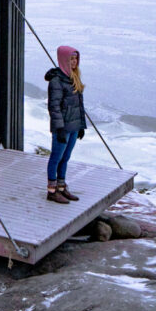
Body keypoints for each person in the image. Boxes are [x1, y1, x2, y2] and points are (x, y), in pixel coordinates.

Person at [45, 45, 86, 203]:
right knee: (56, 157)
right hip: (62, 127)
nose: (74, 62)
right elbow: (54, 107)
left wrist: (81, 125)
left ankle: (62, 187)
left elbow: (79, 105)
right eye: (71, 59)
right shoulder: (57, 81)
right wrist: (59, 129)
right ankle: (51, 190)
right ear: (64, 60)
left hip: (73, 126)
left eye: (76, 59)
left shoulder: (74, 77)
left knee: (66, 157)